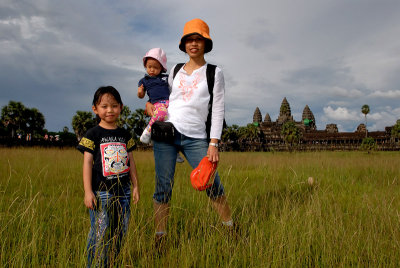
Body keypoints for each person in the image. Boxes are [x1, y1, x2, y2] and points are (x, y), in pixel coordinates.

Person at [146, 18, 233, 246]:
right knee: (163, 187)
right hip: (166, 135)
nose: (193, 44)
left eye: (198, 39)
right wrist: (149, 107)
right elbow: (163, 99)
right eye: (189, 40)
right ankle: (160, 239)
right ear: (184, 44)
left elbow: (218, 110)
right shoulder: (174, 70)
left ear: (206, 43)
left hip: (196, 138)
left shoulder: (214, 73)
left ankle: (231, 229)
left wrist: (214, 143)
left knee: (212, 184)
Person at [77, 86, 140, 267]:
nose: (110, 110)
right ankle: (95, 264)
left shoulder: (124, 134)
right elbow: (87, 163)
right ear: (95, 109)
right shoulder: (92, 134)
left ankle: (113, 262)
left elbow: (131, 161)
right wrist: (88, 191)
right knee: (100, 231)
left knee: (121, 230)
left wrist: (135, 186)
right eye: (104, 106)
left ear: (121, 107)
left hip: (124, 191)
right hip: (101, 192)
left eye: (114, 105)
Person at [137, 48, 170, 144]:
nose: (152, 70)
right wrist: (140, 92)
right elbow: (141, 96)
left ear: (161, 68)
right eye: (149, 67)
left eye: (155, 67)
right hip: (156, 103)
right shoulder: (144, 80)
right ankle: (147, 131)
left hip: (170, 103)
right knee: (161, 114)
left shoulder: (166, 78)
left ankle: (174, 150)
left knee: (172, 124)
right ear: (146, 66)